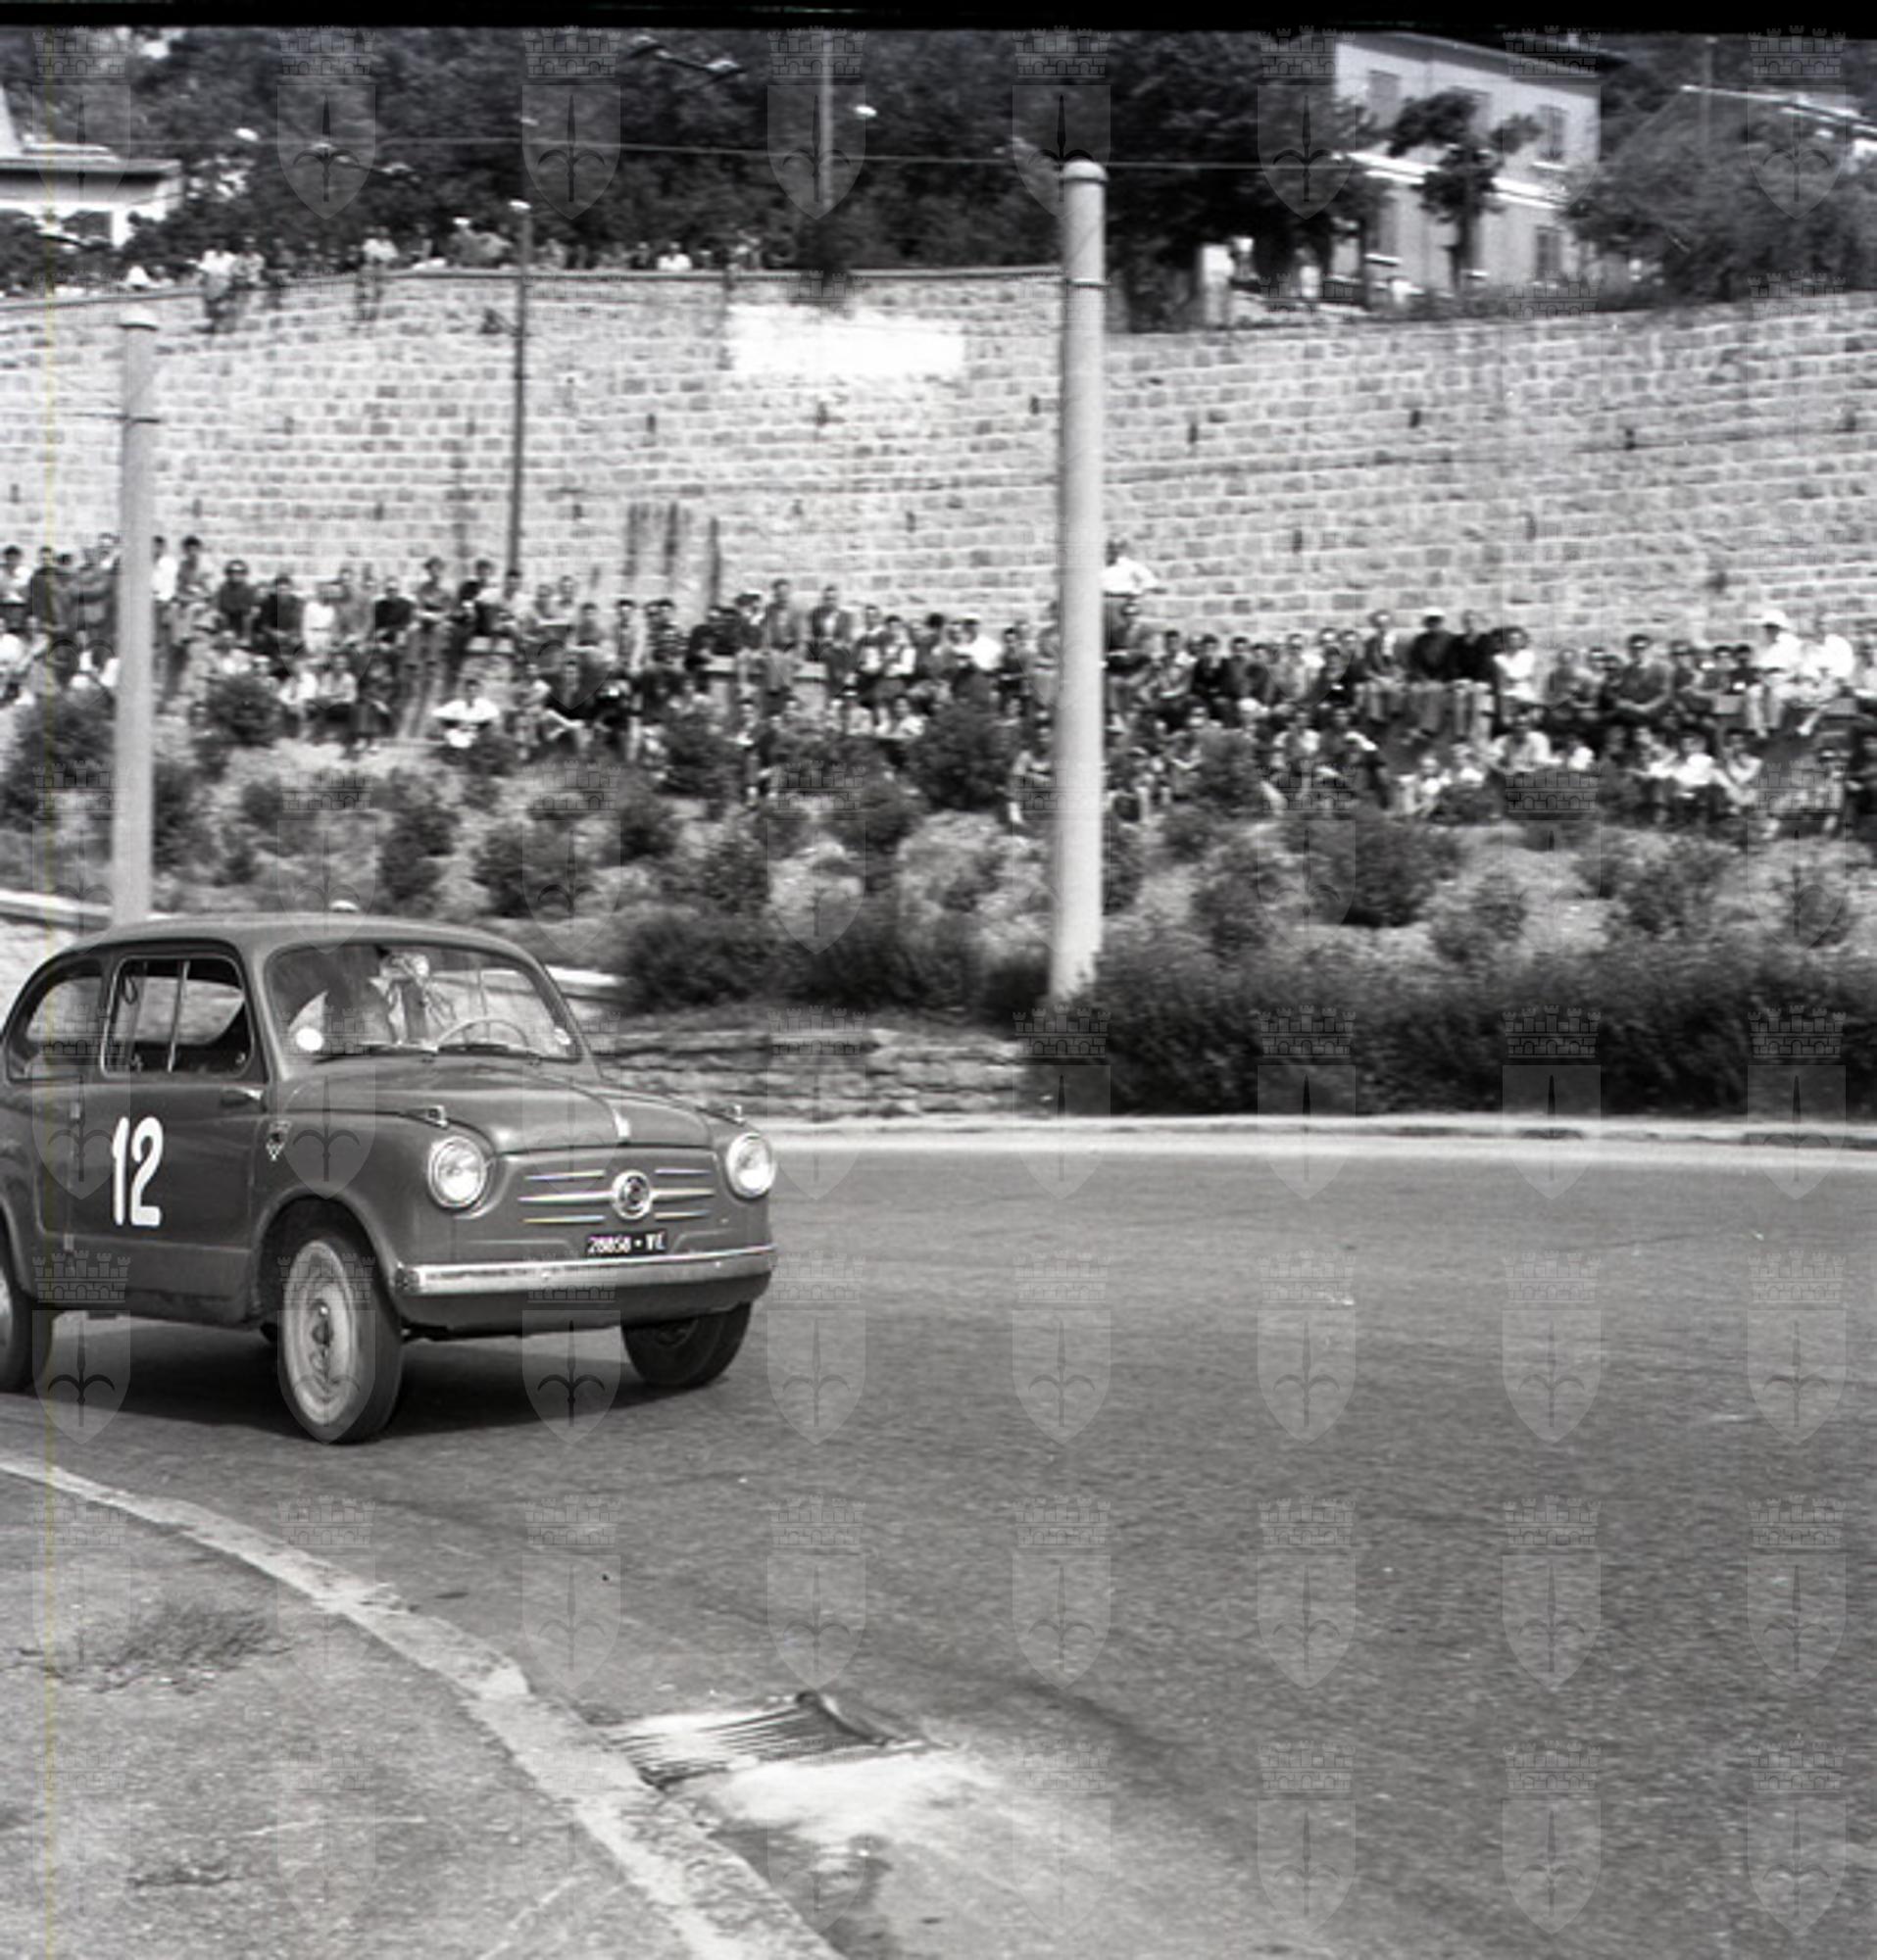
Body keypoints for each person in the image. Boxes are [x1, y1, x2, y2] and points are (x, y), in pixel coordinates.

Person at [432, 675, 501, 756]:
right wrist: (457, 723)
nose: (472, 694)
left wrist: (474, 724)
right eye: (469, 691)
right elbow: (437, 714)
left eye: (475, 691)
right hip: (458, 732)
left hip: (477, 733)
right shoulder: (457, 704)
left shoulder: (485, 705)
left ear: (479, 693)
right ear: (464, 692)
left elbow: (494, 717)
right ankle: (454, 750)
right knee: (456, 740)